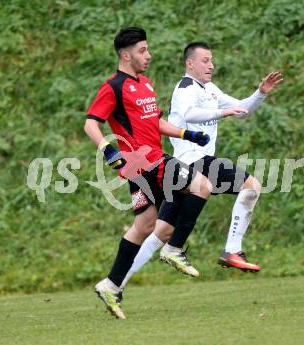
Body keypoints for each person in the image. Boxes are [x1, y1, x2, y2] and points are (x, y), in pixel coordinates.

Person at [118, 42, 283, 289]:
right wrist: (221, 113)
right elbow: (188, 114)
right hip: (194, 161)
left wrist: (260, 93)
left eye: (212, 60)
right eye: (205, 60)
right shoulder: (185, 87)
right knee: (251, 186)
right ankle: (232, 250)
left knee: (160, 232)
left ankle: (115, 284)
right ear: (190, 63)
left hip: (182, 171)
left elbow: (240, 109)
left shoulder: (210, 89)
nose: (211, 65)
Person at [84, 28, 214, 319]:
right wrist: (107, 149)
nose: (148, 55)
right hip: (146, 162)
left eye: (147, 49)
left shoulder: (145, 84)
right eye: (142, 50)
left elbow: (155, 122)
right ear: (125, 55)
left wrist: (187, 134)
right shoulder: (114, 86)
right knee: (201, 185)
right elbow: (91, 123)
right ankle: (174, 249)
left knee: (144, 226)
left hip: (143, 168)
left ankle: (111, 284)